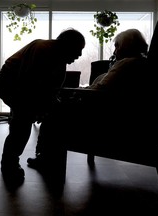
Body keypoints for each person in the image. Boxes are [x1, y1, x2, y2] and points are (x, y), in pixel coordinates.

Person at [27, 28, 148, 168]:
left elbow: (100, 90)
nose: (114, 51)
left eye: (117, 46)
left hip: (105, 116)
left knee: (53, 112)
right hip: (117, 111)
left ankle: (45, 158)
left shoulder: (125, 64)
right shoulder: (139, 63)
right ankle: (47, 156)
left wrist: (75, 91)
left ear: (128, 46)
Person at [0, 28, 85, 183]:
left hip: (26, 86)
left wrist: (45, 107)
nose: (80, 55)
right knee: (22, 124)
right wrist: (36, 109)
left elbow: (52, 88)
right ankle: (9, 164)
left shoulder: (60, 58)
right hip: (11, 84)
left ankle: (43, 157)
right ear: (67, 45)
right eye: (78, 49)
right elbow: (26, 83)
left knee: (52, 116)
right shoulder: (42, 49)